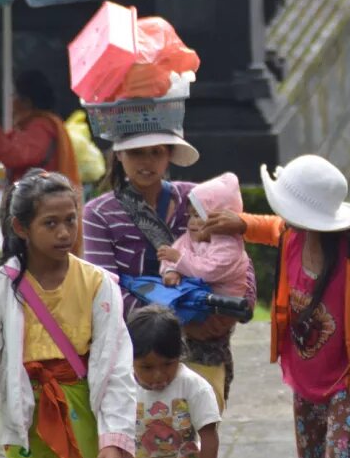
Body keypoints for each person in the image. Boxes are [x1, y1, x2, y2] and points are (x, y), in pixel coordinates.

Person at [200, 154, 350, 458]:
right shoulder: (292, 234)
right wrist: (240, 223)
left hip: (348, 380)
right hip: (303, 377)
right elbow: (269, 227)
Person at [0, 169, 136, 458]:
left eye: (71, 220)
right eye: (50, 223)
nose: (65, 232)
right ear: (21, 227)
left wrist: (114, 440)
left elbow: (116, 369)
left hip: (85, 414)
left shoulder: (99, 285)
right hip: (25, 423)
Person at [83, 129, 253, 425]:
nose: (146, 162)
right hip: (139, 350)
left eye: (156, 152)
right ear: (119, 155)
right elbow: (103, 289)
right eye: (136, 153)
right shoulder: (98, 213)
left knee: (200, 436)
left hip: (208, 337)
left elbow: (237, 257)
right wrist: (176, 323)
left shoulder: (197, 199)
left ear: (169, 155)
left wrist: (234, 308)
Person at [125, 305, 221, 458]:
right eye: (147, 367)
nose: (159, 375)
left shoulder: (194, 387)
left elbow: (210, 438)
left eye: (168, 364)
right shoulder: (124, 388)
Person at [0, 70, 81, 189]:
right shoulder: (32, 125)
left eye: (14, 95)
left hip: (41, 201)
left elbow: (14, 155)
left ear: (26, 102)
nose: (12, 100)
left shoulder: (41, 127)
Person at [159, 171, 250, 298]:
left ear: (217, 216)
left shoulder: (228, 243)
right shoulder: (190, 237)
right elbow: (173, 254)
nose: (191, 222)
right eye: (190, 215)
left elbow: (210, 271)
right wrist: (171, 271)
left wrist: (179, 259)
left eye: (197, 215)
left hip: (226, 304)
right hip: (201, 299)